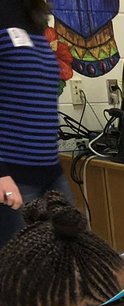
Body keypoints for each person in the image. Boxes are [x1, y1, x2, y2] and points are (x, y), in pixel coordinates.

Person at [0, 1, 71, 249]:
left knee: (75, 256)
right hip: (11, 177)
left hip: (50, 173)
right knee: (24, 275)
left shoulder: (32, 15)